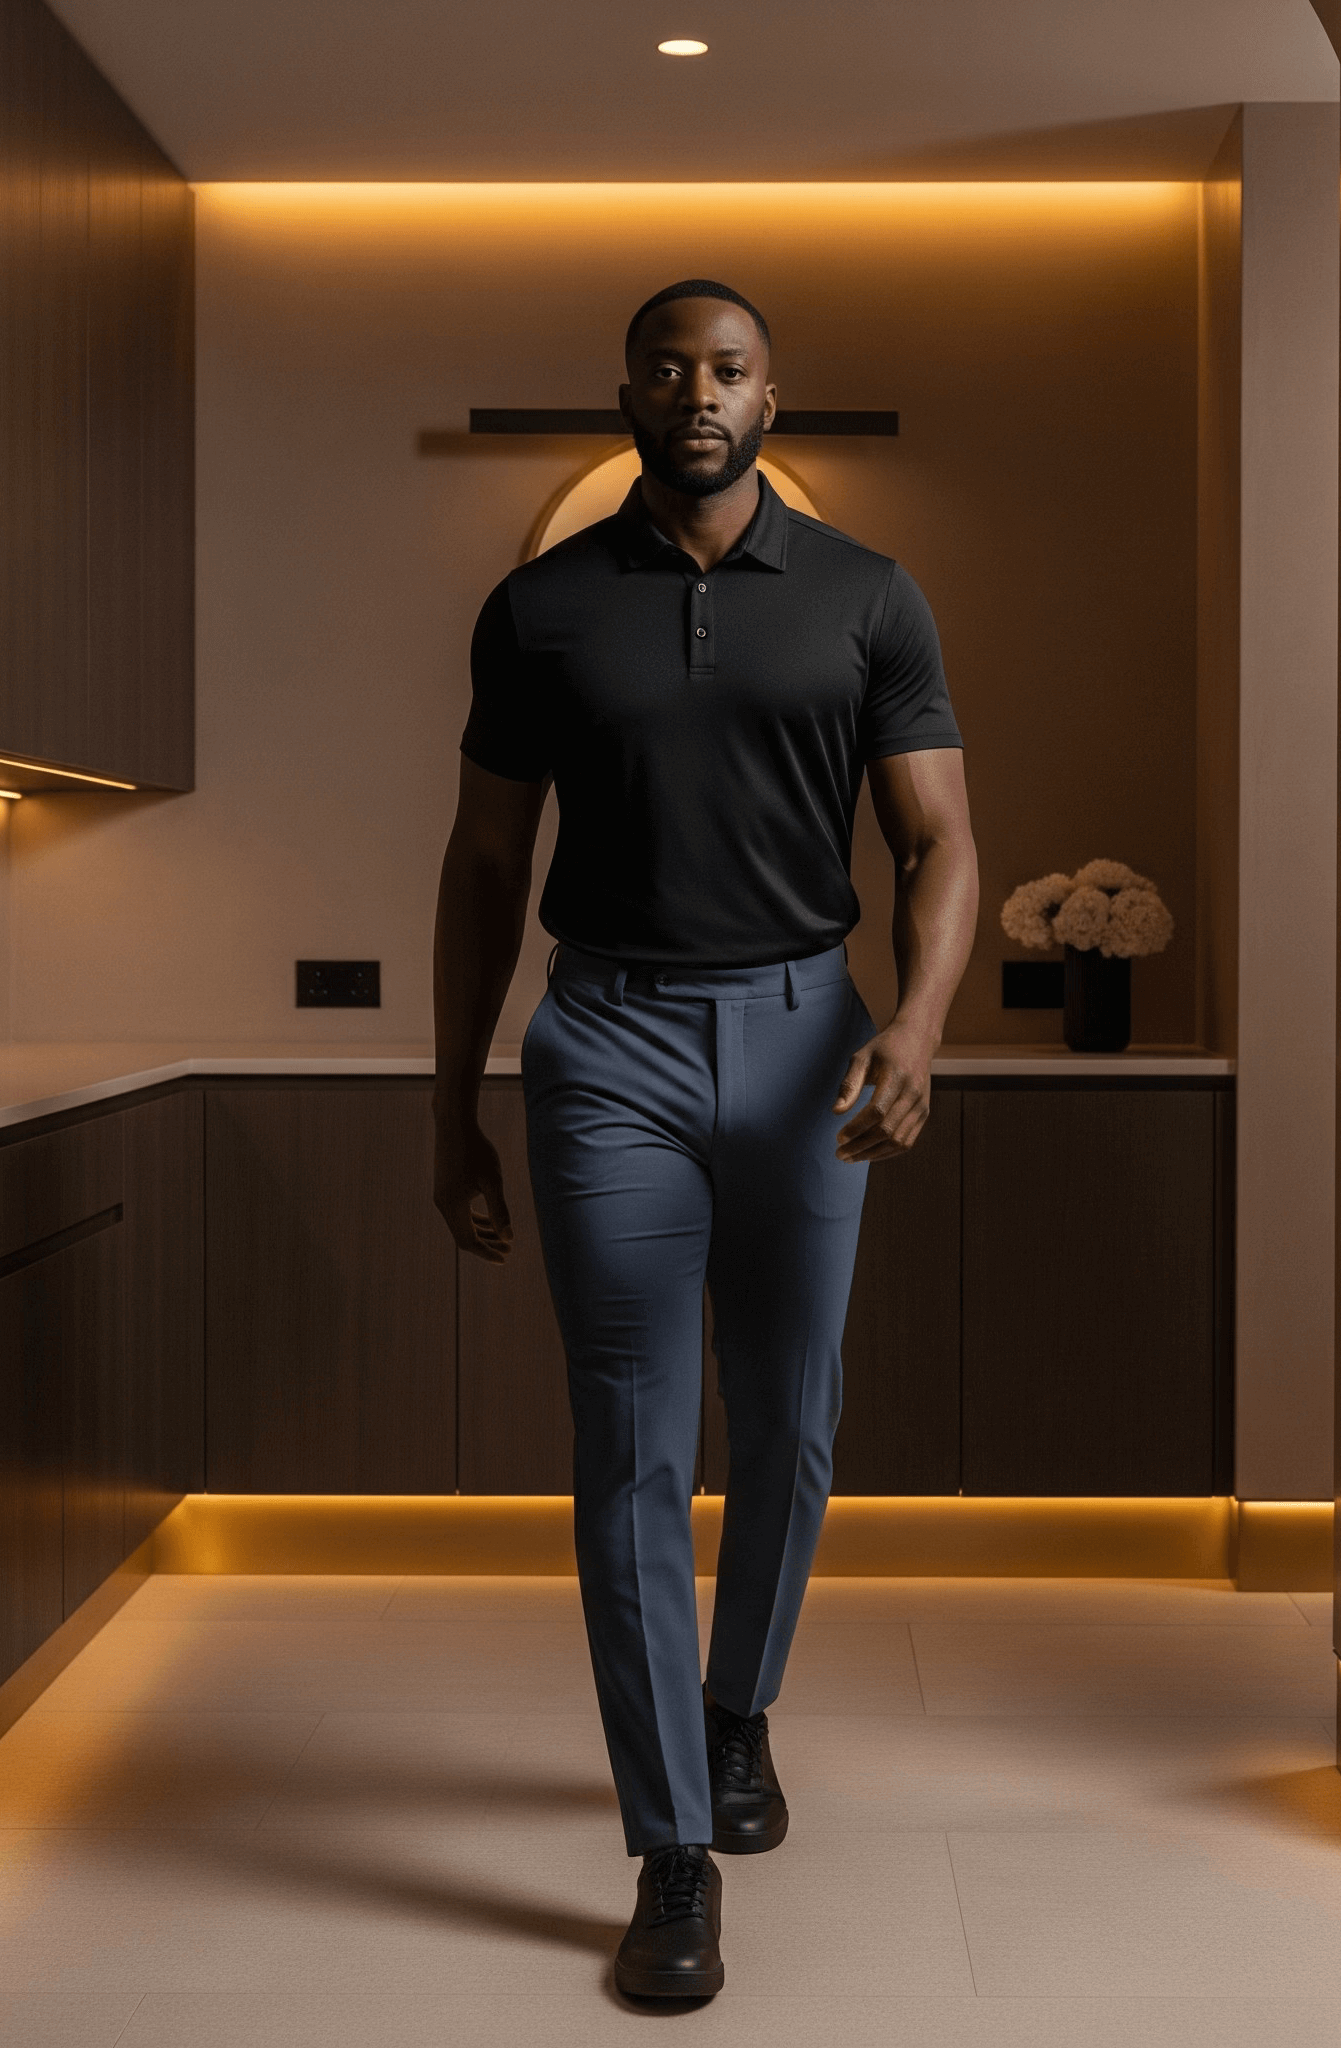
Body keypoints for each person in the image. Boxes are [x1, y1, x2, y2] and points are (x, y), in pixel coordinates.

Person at [431, 278, 977, 2000]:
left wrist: (917, 1025)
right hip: (606, 1046)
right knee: (632, 1450)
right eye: (670, 368)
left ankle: (739, 1714)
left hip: (810, 1040)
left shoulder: (867, 598)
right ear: (629, 394)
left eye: (728, 368)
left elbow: (943, 845)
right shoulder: (537, 612)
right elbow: (481, 870)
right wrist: (450, 1096)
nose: (699, 391)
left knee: (794, 1420)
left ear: (769, 396)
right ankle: (671, 1845)